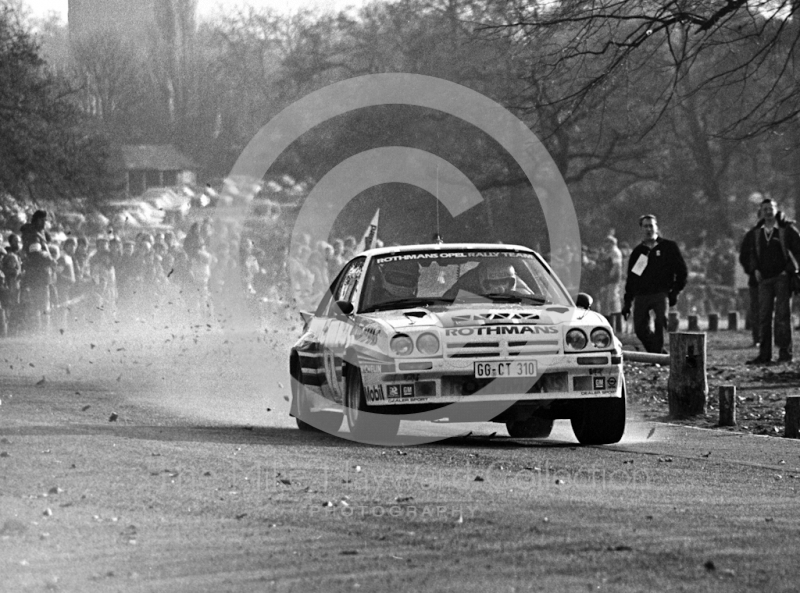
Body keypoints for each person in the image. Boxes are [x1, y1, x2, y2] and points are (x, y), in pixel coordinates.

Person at [742, 199, 800, 364]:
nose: (768, 211)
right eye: (765, 209)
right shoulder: (756, 232)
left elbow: (798, 251)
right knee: (763, 317)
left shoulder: (786, 230)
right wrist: (754, 270)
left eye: (771, 208)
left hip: (782, 278)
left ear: (776, 210)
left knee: (783, 316)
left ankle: (785, 354)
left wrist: (788, 270)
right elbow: (750, 253)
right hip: (764, 280)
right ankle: (764, 354)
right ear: (760, 211)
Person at [622, 215, 688, 353]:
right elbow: (632, 278)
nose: (648, 229)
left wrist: (675, 291)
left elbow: (682, 271)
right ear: (641, 229)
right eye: (645, 226)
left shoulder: (669, 247)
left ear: (657, 227)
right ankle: (658, 353)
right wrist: (627, 302)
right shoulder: (638, 252)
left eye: (651, 225)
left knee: (660, 322)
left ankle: (657, 356)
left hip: (661, 293)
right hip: (642, 295)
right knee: (640, 329)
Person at [739, 205, 764, 348]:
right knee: (757, 310)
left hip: (776, 278)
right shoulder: (751, 235)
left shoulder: (780, 233)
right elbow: (743, 257)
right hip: (756, 279)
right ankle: (758, 338)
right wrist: (752, 270)